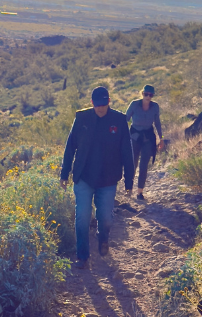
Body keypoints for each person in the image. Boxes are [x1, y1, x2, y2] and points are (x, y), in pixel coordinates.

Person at [60, 85, 134, 269]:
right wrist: (64, 173)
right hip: (84, 177)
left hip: (108, 179)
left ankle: (103, 239)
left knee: (106, 218)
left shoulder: (119, 120)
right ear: (92, 103)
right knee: (82, 217)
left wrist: (129, 180)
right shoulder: (82, 118)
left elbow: (127, 151)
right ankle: (83, 256)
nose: (100, 108)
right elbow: (70, 147)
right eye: (97, 104)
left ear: (109, 102)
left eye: (104, 104)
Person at [125, 84, 165, 202]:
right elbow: (125, 119)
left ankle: (140, 192)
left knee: (144, 165)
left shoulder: (155, 107)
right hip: (134, 137)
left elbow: (157, 123)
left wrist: (161, 138)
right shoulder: (134, 104)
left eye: (150, 95)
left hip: (148, 138)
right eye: (146, 94)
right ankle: (129, 189)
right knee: (133, 164)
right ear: (142, 94)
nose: (148, 97)